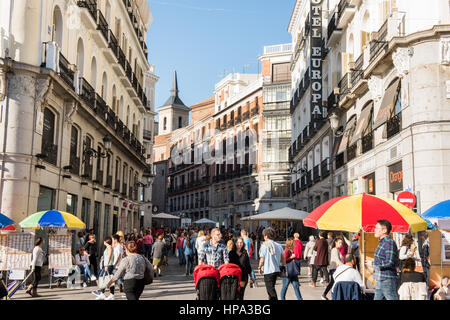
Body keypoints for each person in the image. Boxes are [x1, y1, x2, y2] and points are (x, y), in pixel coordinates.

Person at [365, 219, 400, 300]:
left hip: (387, 279)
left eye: (377, 228)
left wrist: (373, 264)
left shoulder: (389, 242)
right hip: (379, 278)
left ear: (384, 230)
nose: (375, 230)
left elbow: (390, 262)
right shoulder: (383, 242)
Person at [258, 227, 285, 300]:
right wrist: (284, 266)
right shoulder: (278, 245)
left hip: (268, 270)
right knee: (271, 287)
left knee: (270, 290)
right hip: (276, 269)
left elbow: (262, 259)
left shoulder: (264, 245)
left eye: (264, 235)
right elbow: (283, 257)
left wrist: (259, 267)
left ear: (266, 236)